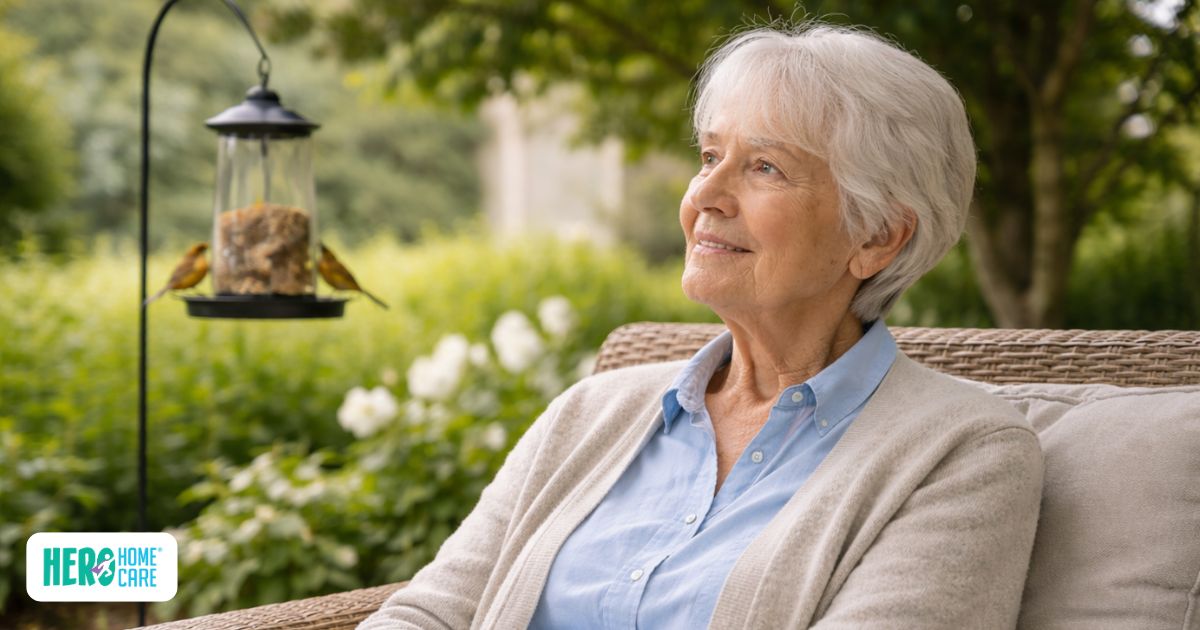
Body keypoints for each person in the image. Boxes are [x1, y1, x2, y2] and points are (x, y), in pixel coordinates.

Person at [360, 22, 1043, 630]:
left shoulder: (962, 453)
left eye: (764, 167)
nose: (705, 198)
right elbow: (434, 611)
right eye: (710, 157)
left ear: (878, 237)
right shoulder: (590, 414)